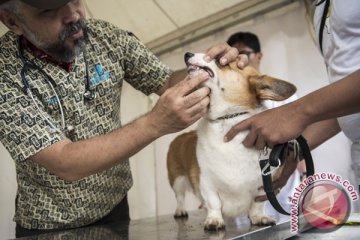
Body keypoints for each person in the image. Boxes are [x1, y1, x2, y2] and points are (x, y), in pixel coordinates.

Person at [0, 0, 244, 237]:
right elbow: (65, 162)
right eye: (51, 10)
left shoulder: (107, 37)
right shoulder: (5, 73)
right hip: (49, 225)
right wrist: (155, 123)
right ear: (12, 21)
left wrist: (214, 70)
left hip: (115, 209)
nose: (73, 15)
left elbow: (166, 80)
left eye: (75, 0)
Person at [225, 0, 360, 207]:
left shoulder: (280, 95)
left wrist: (297, 112)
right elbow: (347, 105)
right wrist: (294, 153)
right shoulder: (318, 10)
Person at [227, 31, 305, 219]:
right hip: (240, 192)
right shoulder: (228, 101)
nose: (239, 60)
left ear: (259, 56)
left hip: (283, 188)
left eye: (244, 53)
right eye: (233, 55)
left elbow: (301, 140)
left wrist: (304, 179)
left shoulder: (283, 96)